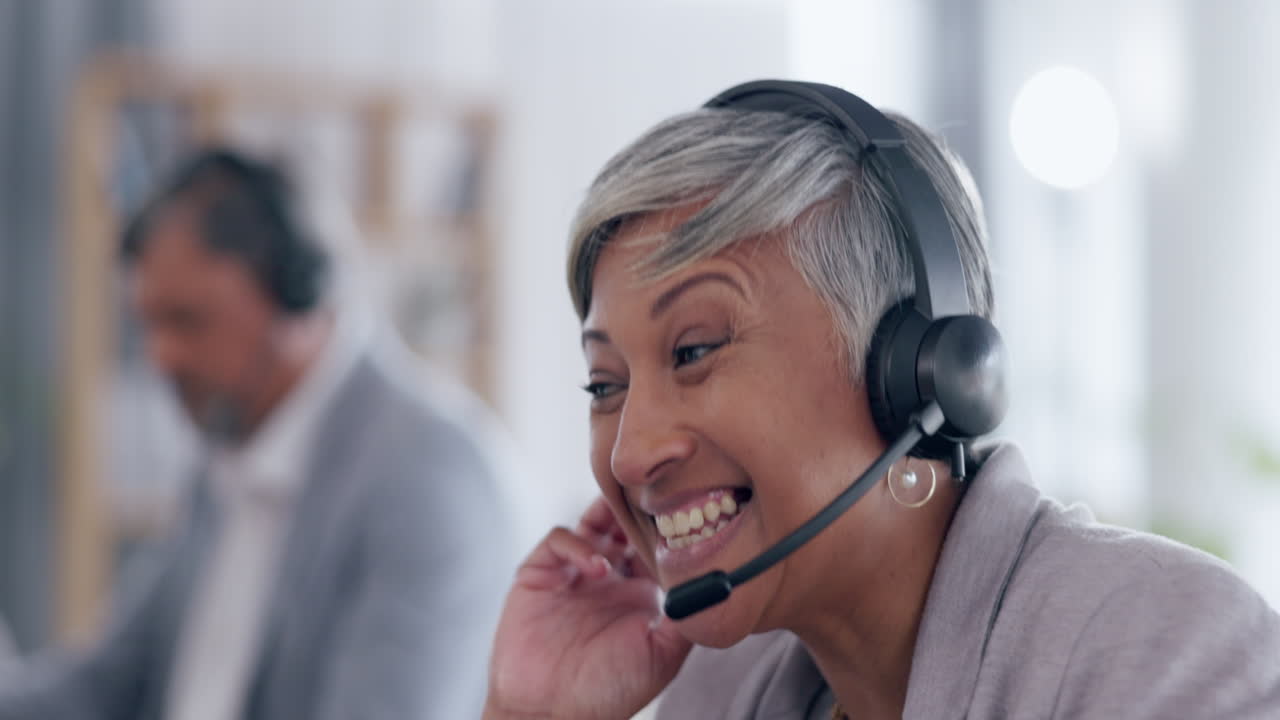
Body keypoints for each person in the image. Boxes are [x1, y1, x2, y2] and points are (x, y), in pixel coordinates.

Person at [483, 80, 1280, 719]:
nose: (629, 451)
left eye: (694, 351)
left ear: (918, 377)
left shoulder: (1163, 651)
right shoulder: (723, 683)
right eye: (605, 386)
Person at [0, 148, 515, 719]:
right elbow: (102, 686)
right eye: (148, 324)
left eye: (187, 321)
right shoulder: (231, 448)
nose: (160, 356)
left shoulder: (427, 477)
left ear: (298, 293)